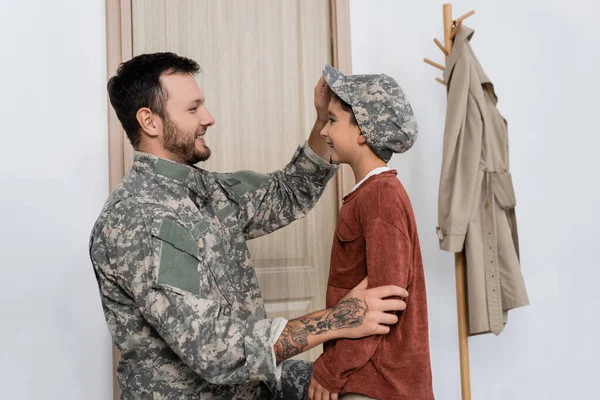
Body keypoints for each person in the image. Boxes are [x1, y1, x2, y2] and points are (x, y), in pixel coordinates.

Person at [89, 52, 409, 399]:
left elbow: (290, 191)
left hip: (253, 388)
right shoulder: (139, 218)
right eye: (193, 109)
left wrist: (323, 122)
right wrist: (337, 320)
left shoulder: (209, 190)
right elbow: (213, 347)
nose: (208, 118)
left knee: (365, 387)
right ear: (149, 121)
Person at [308, 65, 434, 400]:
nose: (324, 131)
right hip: (366, 377)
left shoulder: (380, 198)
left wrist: (331, 368)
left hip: (378, 384)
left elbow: (384, 304)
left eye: (332, 120)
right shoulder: (371, 195)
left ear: (362, 131)